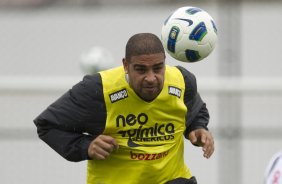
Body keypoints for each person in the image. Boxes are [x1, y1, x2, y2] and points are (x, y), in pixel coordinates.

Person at [34, 33, 214, 184]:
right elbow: (47, 125)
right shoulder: (98, 90)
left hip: (172, 179)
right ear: (126, 65)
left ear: (165, 63)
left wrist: (198, 128)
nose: (151, 78)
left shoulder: (182, 81)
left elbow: (195, 110)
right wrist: (86, 146)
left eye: (158, 68)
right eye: (141, 70)